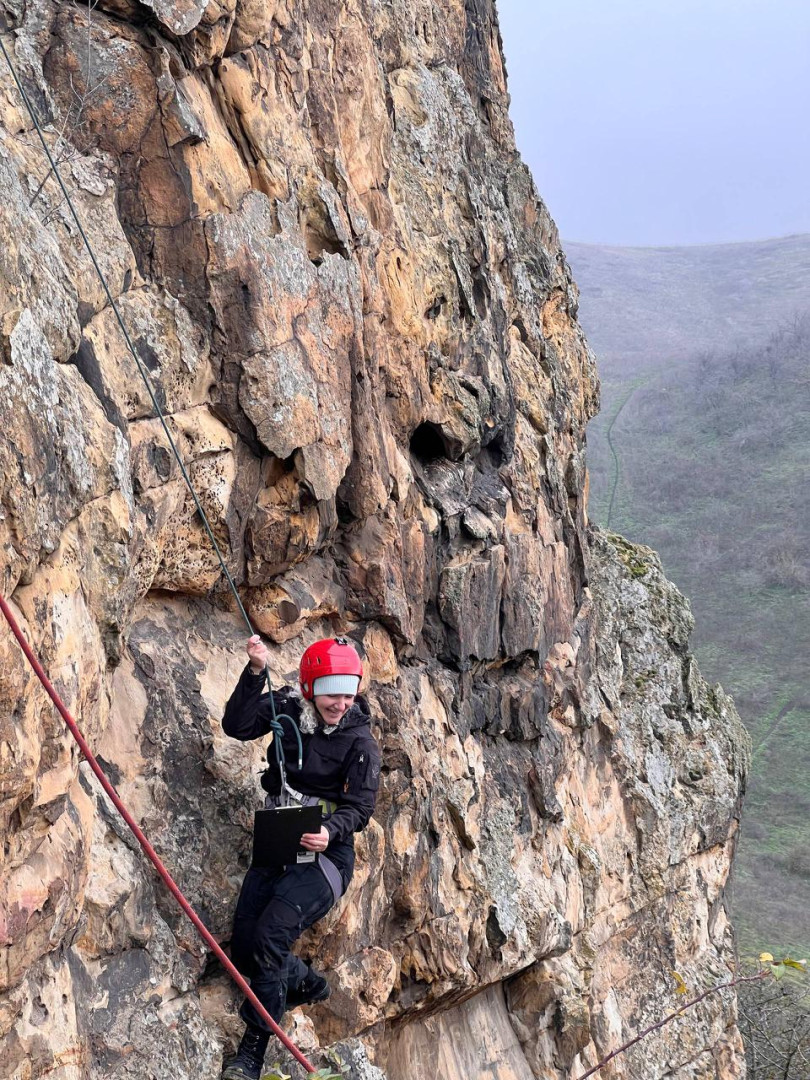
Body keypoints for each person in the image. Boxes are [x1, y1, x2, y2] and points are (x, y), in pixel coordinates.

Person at [220, 635, 381, 1080]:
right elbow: (237, 726)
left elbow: (361, 808)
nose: (341, 703)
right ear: (311, 686)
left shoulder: (360, 742)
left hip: (328, 854)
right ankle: (300, 979)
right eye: (333, 693)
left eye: (349, 693)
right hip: (280, 833)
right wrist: (255, 672)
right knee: (246, 947)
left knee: (270, 936)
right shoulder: (289, 706)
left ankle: (252, 1050)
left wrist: (330, 831)